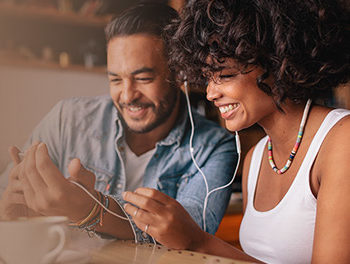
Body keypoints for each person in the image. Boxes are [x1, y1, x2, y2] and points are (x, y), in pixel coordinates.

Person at [121, 0, 350, 262]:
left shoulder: (341, 140)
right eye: (207, 76)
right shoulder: (255, 159)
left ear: (280, 63)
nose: (210, 93)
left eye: (226, 75)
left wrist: (198, 242)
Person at [0, 2, 238, 243]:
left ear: (180, 73)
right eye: (115, 80)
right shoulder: (67, 119)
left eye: (143, 78)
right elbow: (5, 199)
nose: (127, 95)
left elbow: (191, 234)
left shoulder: (214, 147)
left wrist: (90, 210)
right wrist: (7, 213)